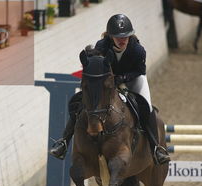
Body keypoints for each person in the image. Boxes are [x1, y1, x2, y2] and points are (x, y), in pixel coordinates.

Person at [49, 14, 170, 165]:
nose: (122, 40)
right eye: (118, 37)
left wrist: (122, 78)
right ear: (110, 36)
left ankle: (156, 148)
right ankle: (64, 142)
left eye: (126, 36)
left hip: (133, 79)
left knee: (147, 107)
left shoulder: (138, 50)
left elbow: (139, 70)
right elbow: (96, 65)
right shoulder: (101, 46)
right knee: (82, 104)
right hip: (107, 81)